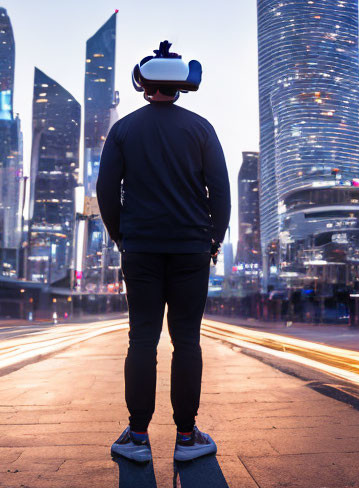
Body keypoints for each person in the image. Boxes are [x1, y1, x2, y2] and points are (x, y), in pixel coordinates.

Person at [97, 41, 230, 464]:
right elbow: (221, 193)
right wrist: (213, 240)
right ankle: (188, 438)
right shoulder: (201, 128)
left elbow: (105, 191)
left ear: (143, 83)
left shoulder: (124, 130)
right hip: (191, 249)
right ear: (181, 86)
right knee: (187, 341)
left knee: (142, 340)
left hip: (141, 251)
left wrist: (122, 237)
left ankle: (137, 438)